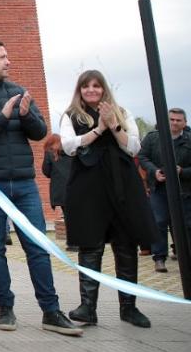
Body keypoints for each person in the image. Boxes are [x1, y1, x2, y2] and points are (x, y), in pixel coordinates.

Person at [0, 39, 80, 336]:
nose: (8, 62)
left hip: (24, 182)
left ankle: (51, 310)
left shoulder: (19, 92)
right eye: (2, 57)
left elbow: (40, 133)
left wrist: (25, 114)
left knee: (37, 246)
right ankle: (5, 308)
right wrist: (3, 116)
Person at [59, 70, 156, 328]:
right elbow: (70, 146)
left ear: (104, 89)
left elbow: (133, 146)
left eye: (96, 86)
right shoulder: (71, 116)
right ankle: (87, 308)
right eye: (86, 87)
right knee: (90, 247)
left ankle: (129, 308)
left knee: (125, 247)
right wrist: (98, 129)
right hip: (88, 188)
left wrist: (113, 126)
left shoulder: (122, 113)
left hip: (122, 186)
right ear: (79, 90)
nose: (91, 91)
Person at [137, 108, 191, 273]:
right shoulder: (153, 138)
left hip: (184, 190)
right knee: (159, 222)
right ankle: (159, 258)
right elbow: (142, 157)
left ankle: (186, 256)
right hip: (159, 189)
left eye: (178, 120)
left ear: (185, 123)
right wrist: (154, 171)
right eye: (171, 119)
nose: (174, 123)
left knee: (186, 224)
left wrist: (182, 171)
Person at [40, 134, 75, 251]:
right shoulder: (71, 152)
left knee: (68, 216)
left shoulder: (50, 154)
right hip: (75, 186)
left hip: (61, 190)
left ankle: (73, 244)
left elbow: (46, 171)